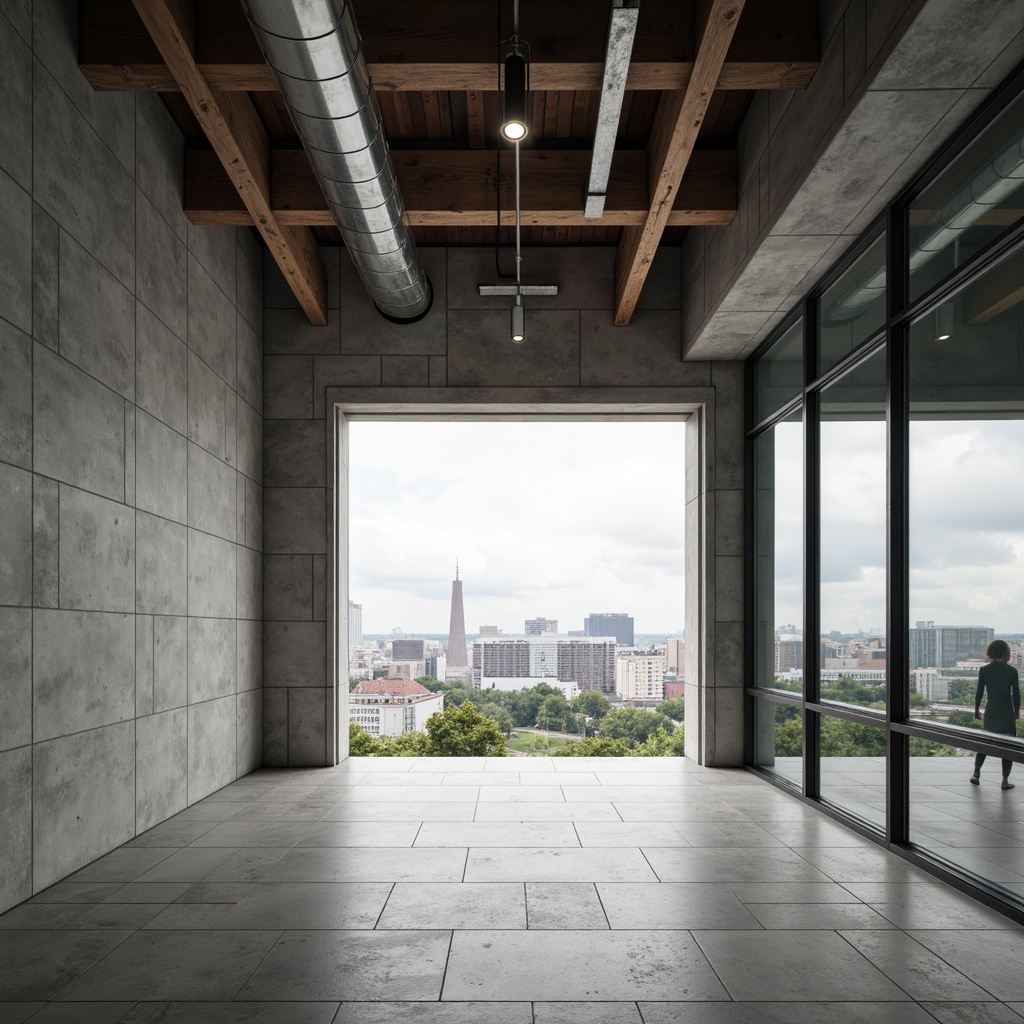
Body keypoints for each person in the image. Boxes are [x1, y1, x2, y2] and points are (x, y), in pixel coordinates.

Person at [971, 639, 1021, 790]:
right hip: (1006, 708)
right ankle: (1005, 780)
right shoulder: (1012, 671)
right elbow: (1016, 694)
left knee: (985, 741)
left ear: (990, 652)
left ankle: (976, 773)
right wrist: (1016, 711)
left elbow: (979, 691)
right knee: (1008, 744)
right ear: (1006, 653)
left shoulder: (984, 670)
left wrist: (976, 709)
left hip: (991, 708)